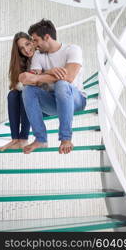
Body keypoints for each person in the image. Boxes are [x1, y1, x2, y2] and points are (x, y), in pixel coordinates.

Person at [18, 19, 87, 154]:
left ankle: (65, 138)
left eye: (35, 40)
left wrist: (38, 77)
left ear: (47, 37)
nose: (33, 44)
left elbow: (69, 76)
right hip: (53, 101)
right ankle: (41, 139)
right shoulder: (38, 56)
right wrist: (49, 71)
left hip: (76, 100)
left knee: (62, 84)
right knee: (28, 91)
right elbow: (27, 79)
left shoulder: (72, 50)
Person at [0, 32, 34, 151]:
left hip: (41, 98)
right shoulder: (22, 62)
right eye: (22, 48)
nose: (27, 50)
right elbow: (16, 85)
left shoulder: (40, 55)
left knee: (26, 91)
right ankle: (15, 138)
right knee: (12, 94)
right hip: (27, 97)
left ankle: (23, 138)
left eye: (28, 44)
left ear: (32, 41)